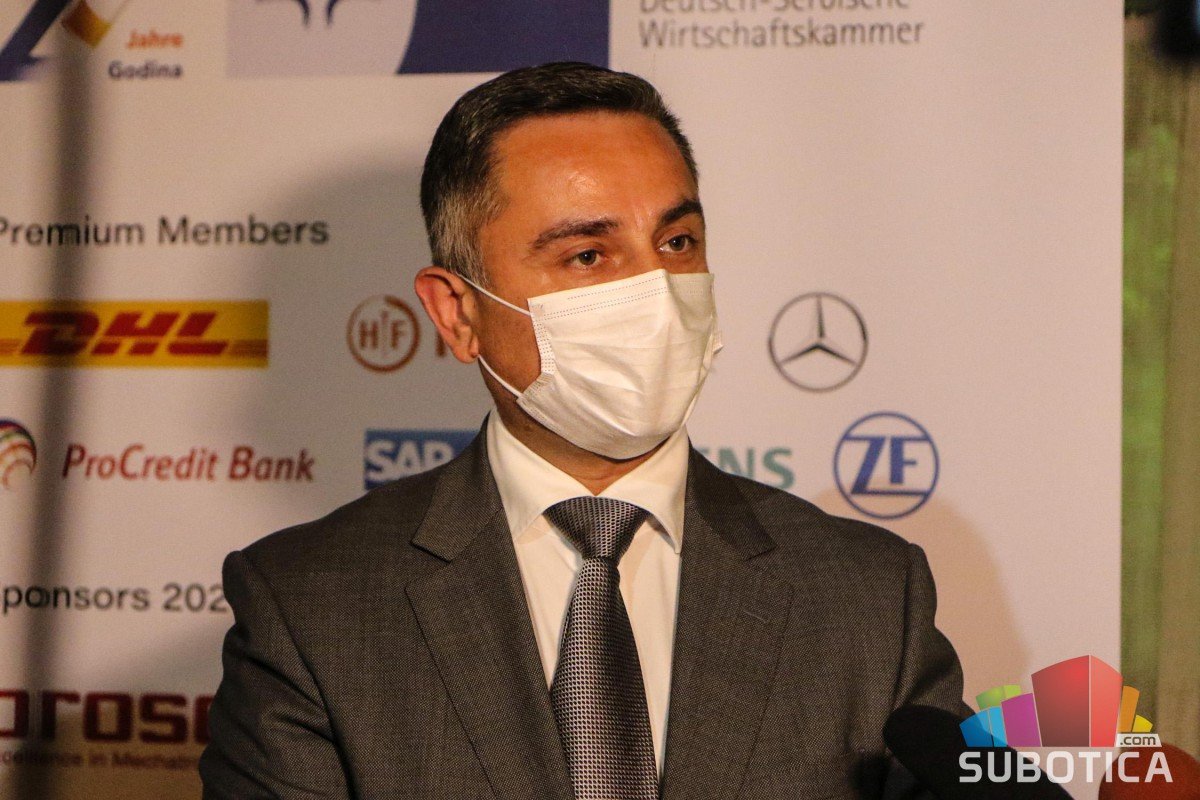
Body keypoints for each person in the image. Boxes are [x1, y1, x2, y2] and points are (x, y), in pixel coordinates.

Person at [199, 61, 968, 800]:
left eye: (677, 243)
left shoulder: (869, 596)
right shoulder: (310, 607)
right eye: (589, 255)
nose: (655, 293)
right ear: (457, 313)